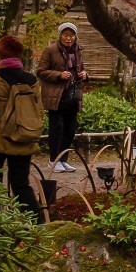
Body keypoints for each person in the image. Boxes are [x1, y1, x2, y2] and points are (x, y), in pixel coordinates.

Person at [0, 35, 46, 216]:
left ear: (0, 56)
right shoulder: (31, 80)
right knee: (21, 184)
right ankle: (35, 224)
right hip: (24, 137)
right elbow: (39, 110)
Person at [37, 20, 88, 172]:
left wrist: (84, 75)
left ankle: (63, 159)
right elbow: (40, 72)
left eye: (71, 35)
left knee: (70, 128)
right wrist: (59, 75)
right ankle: (53, 160)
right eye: (65, 35)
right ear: (60, 35)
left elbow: (83, 69)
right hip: (56, 96)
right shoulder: (50, 50)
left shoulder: (77, 50)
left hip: (72, 95)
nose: (68, 38)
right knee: (57, 127)